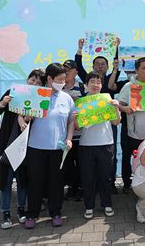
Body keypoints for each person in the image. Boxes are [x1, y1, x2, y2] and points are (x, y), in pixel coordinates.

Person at [22, 63, 76, 229]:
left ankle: (56, 212)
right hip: (36, 147)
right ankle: (32, 214)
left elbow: (71, 121)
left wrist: (69, 138)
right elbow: (24, 118)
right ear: (50, 79)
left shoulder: (66, 98)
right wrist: (27, 117)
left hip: (58, 148)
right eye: (59, 79)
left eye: (64, 79)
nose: (62, 82)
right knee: (36, 182)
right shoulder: (37, 95)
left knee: (56, 182)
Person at [0, 69, 45, 229]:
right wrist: (3, 102)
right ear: (27, 79)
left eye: (38, 82)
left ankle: (21, 210)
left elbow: (36, 122)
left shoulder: (40, 99)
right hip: (7, 144)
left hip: (25, 145)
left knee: (23, 181)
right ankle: (6, 213)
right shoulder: (12, 92)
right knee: (5, 181)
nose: (34, 83)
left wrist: (29, 119)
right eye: (32, 79)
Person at [77, 71, 121, 219]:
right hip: (86, 144)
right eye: (92, 82)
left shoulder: (107, 99)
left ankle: (107, 204)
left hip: (106, 143)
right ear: (86, 85)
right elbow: (77, 127)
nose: (96, 85)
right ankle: (89, 206)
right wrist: (77, 116)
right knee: (88, 177)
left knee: (106, 177)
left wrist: (116, 107)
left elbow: (116, 122)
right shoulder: (81, 102)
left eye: (98, 82)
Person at [116, 57, 145, 193]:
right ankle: (127, 183)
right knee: (128, 157)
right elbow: (120, 105)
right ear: (136, 70)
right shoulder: (128, 86)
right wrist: (126, 109)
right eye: (144, 68)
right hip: (134, 132)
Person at [61, 59, 85, 201]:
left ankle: (81, 187)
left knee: (82, 163)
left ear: (76, 71)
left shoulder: (83, 88)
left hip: (82, 134)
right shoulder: (58, 88)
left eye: (69, 70)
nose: (66, 72)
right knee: (68, 163)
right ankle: (71, 187)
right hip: (64, 135)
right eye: (64, 70)